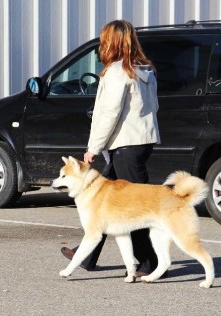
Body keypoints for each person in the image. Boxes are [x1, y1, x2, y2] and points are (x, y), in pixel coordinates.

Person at [60, 19, 161, 277]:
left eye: (104, 39)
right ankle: (88, 255)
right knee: (105, 203)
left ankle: (151, 262)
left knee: (134, 206)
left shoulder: (118, 72)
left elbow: (110, 112)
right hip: (140, 141)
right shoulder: (144, 70)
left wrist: (93, 147)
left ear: (111, 42)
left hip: (125, 144)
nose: (101, 44)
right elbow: (154, 108)